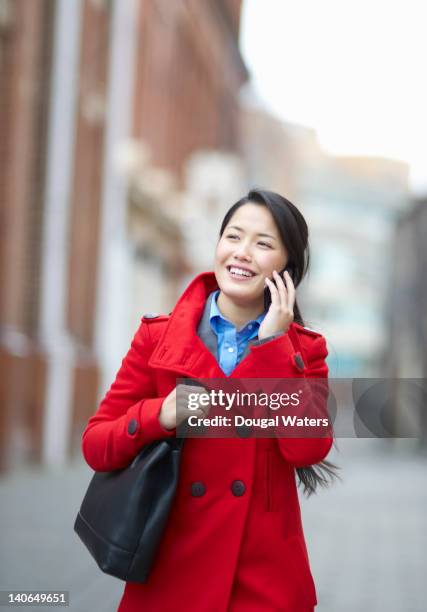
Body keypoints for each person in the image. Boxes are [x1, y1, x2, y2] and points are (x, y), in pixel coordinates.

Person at [81, 188, 337, 612]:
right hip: (168, 580)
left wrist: (274, 346)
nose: (243, 253)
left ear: (287, 267)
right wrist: (158, 415)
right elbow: (95, 445)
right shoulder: (157, 337)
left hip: (262, 589)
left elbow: (308, 447)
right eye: (233, 237)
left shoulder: (304, 351)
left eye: (263, 244)